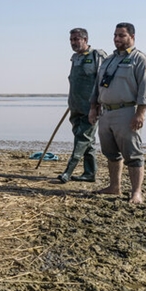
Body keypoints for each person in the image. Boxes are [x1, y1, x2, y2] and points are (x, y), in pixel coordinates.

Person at [88, 22, 146, 204]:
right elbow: (98, 85)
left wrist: (140, 113)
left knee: (133, 154)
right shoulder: (109, 60)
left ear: (132, 37)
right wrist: (93, 108)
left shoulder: (140, 60)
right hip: (106, 113)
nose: (117, 39)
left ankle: (136, 193)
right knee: (110, 153)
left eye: (122, 36)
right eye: (115, 35)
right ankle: (114, 187)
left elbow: (145, 89)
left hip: (127, 112)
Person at [57, 28, 106, 184]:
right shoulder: (74, 58)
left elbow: (103, 81)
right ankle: (90, 173)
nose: (73, 42)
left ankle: (68, 171)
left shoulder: (97, 56)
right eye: (71, 40)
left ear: (85, 39)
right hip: (75, 106)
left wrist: (97, 104)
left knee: (82, 139)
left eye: (76, 39)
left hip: (91, 107)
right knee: (88, 141)